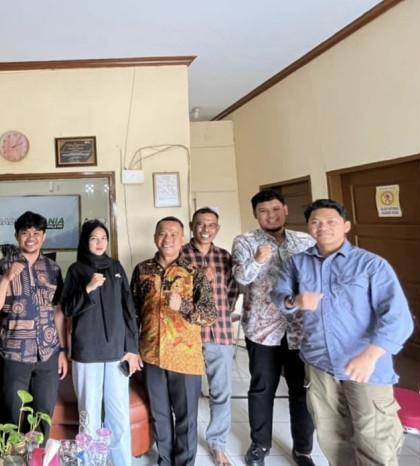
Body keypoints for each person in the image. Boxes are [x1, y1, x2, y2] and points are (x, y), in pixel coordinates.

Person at [274, 199, 413, 466]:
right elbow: (279, 296)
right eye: (315, 222)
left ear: (346, 226)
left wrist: (370, 356)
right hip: (319, 364)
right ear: (308, 227)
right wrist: (295, 301)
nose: (322, 227)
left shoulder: (371, 265)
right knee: (333, 436)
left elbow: (399, 318)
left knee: (375, 440)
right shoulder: (298, 263)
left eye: (331, 222)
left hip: (366, 366)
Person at [231, 189, 316, 466]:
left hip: (301, 330)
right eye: (263, 211)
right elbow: (241, 278)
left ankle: (303, 449)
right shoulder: (245, 241)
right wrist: (257, 260)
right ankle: (260, 445)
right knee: (261, 388)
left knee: (301, 391)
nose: (271, 215)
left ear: (286, 210)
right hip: (262, 328)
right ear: (255, 215)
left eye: (276, 209)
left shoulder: (305, 241)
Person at [130, 216, 215, 466]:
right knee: (159, 414)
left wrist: (184, 306)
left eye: (173, 234)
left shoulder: (194, 273)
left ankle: (185, 462)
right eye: (162, 234)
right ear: (155, 237)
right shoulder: (142, 270)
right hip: (151, 354)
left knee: (186, 417)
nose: (167, 239)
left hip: (185, 357)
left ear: (182, 239)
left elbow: (210, 315)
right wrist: (132, 348)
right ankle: (165, 460)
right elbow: (132, 312)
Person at [61, 219, 141, 466]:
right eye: (94, 238)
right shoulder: (76, 270)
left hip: (117, 351)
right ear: (85, 241)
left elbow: (129, 310)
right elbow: (67, 308)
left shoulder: (116, 267)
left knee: (118, 413)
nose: (99, 243)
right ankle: (89, 462)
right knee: (89, 414)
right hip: (87, 352)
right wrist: (88, 288)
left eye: (103, 238)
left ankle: (121, 462)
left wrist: (132, 349)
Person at [0, 211, 68, 439]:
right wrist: (6, 278)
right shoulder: (2, 266)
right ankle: (13, 457)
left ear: (44, 236)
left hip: (48, 353)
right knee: (12, 418)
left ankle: (38, 456)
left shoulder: (53, 269)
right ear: (16, 236)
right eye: (25, 232)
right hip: (15, 354)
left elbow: (57, 312)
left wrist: (62, 350)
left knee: (43, 417)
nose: (31, 238)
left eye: (36, 233)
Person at [180, 207, 238, 466]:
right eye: (201, 224)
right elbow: (173, 294)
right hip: (187, 333)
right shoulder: (179, 254)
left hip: (220, 332)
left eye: (211, 224)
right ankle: (186, 442)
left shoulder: (225, 257)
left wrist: (220, 312)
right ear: (192, 226)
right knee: (186, 394)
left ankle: (217, 444)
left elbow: (232, 293)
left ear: (217, 228)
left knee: (221, 392)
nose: (206, 229)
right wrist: (199, 279)